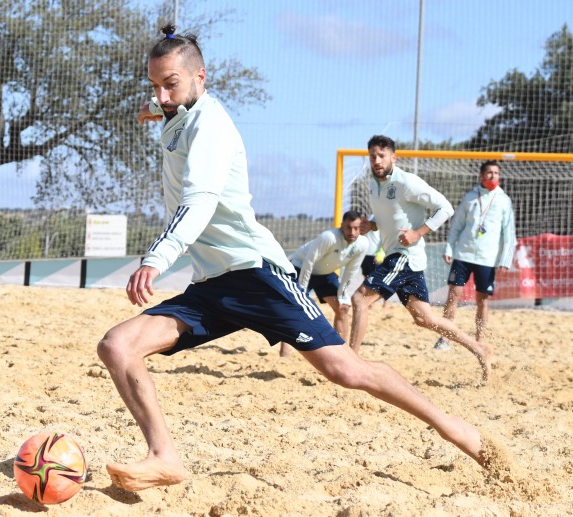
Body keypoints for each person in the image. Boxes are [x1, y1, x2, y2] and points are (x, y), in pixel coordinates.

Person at [97, 27, 489, 493]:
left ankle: (454, 428)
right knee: (117, 347)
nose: (162, 96)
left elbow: (198, 202)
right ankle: (164, 456)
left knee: (346, 370)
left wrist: (156, 259)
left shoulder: (211, 127)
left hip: (256, 275)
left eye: (171, 84)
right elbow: (169, 107)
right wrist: (155, 107)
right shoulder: (178, 111)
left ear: (201, 76)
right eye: (154, 86)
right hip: (212, 284)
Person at [349, 135, 493, 383]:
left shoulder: (407, 182)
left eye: (382, 155)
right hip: (402, 259)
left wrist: (417, 233)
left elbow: (445, 208)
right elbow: (387, 216)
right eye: (373, 156)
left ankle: (351, 363)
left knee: (359, 299)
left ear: (393, 157)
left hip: (404, 256)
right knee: (425, 319)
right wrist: (371, 225)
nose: (377, 160)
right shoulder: (373, 184)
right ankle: (480, 348)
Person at [434, 161, 516, 350]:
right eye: (489, 172)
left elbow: (509, 233)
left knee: (482, 300)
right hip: (463, 254)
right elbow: (456, 225)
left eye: (496, 173)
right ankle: (444, 338)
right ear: (481, 176)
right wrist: (449, 248)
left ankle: (479, 340)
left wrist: (505, 259)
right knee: (453, 296)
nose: (493, 176)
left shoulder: (503, 200)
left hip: (487, 259)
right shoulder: (470, 197)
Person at [279, 210, 369, 356]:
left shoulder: (363, 244)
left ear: (361, 228)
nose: (352, 232)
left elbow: (350, 271)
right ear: (342, 226)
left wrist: (343, 295)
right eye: (348, 227)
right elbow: (309, 261)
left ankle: (342, 353)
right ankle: (284, 353)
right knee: (294, 308)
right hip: (301, 268)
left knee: (342, 308)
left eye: (356, 228)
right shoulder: (329, 237)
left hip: (325, 273)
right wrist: (301, 290)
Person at [359, 228, 391, 310]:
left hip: (376, 255)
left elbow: (386, 238)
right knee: (367, 278)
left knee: (381, 280)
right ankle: (371, 303)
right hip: (365, 254)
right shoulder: (364, 222)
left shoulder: (380, 222)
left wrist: (382, 252)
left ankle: (386, 302)